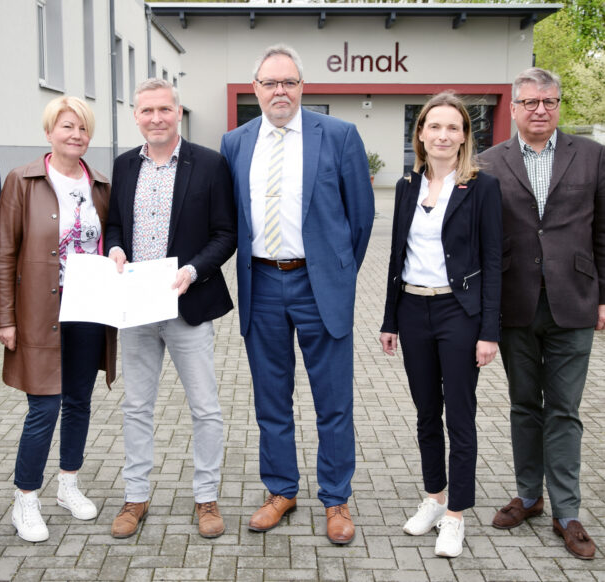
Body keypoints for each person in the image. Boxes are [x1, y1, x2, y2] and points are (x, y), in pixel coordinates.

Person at [220, 45, 374, 545]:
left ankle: (336, 499)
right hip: (261, 283)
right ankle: (281, 490)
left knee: (333, 402)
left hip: (319, 286)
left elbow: (362, 217)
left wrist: (338, 272)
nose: (279, 91)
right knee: (271, 400)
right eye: (270, 83)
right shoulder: (235, 143)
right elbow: (229, 217)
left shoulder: (338, 136)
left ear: (302, 86)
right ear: (256, 89)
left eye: (288, 82)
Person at [481, 67, 604, 560]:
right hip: (515, 304)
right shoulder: (490, 162)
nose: (540, 110)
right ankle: (529, 496)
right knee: (523, 405)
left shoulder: (593, 156)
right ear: (515, 107)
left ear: (558, 105)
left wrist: (603, 296)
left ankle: (568, 512)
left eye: (549, 102)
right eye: (530, 102)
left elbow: (604, 232)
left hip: (574, 301)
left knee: (565, 410)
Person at [105, 78, 236, 540]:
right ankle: (135, 497)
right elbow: (115, 223)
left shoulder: (210, 165)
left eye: (164, 110)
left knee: (205, 408)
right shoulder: (124, 166)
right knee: (137, 406)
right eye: (147, 111)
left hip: (188, 303)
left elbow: (226, 233)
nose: (156, 118)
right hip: (137, 306)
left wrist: (194, 271)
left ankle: (207, 497)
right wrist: (116, 248)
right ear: (135, 116)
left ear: (177, 112)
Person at [379, 92, 502, 557]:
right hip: (412, 311)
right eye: (435, 126)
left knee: (460, 415)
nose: (443, 135)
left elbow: (492, 262)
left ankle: (456, 516)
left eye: (453, 127)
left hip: (458, 313)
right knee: (426, 411)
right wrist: (390, 318)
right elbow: (396, 256)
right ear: (422, 134)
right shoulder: (407, 185)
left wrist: (489, 331)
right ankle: (434, 497)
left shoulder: (481, 186)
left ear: (465, 136)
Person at [0, 96, 117, 543]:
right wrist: (3, 317)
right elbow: (4, 252)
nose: (76, 135)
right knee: (44, 405)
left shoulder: (100, 184)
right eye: (67, 127)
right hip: (40, 312)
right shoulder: (22, 180)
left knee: (80, 402)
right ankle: (25, 499)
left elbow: (111, 243)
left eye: (83, 128)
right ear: (49, 132)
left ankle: (68, 485)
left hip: (89, 310)